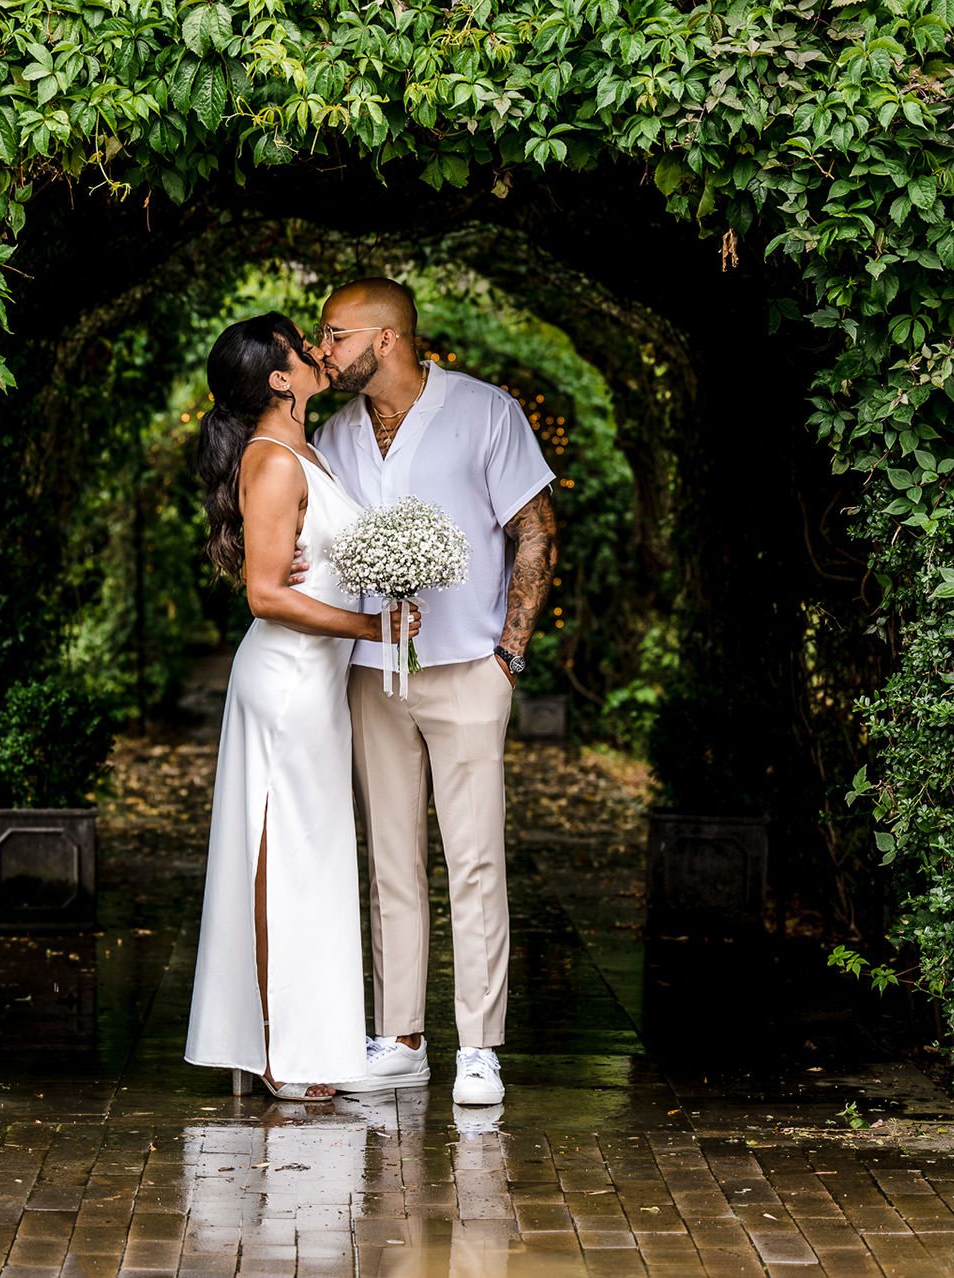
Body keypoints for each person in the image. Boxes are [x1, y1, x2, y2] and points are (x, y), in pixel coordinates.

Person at [311, 279, 558, 1106]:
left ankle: (480, 1048)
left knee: (476, 857)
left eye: (335, 336)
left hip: (467, 671)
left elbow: (536, 530)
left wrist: (508, 658)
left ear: (386, 340)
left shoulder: (487, 411)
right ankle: (401, 1037)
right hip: (370, 674)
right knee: (389, 861)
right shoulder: (335, 433)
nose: (323, 350)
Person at [183, 313, 420, 1101]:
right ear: (280, 378)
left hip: (314, 684)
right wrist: (368, 624)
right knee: (277, 858)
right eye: (304, 345)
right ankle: (278, 1051)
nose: (321, 351)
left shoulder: (302, 450)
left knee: (308, 859)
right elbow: (264, 595)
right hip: (286, 682)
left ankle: (287, 1040)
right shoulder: (276, 462)